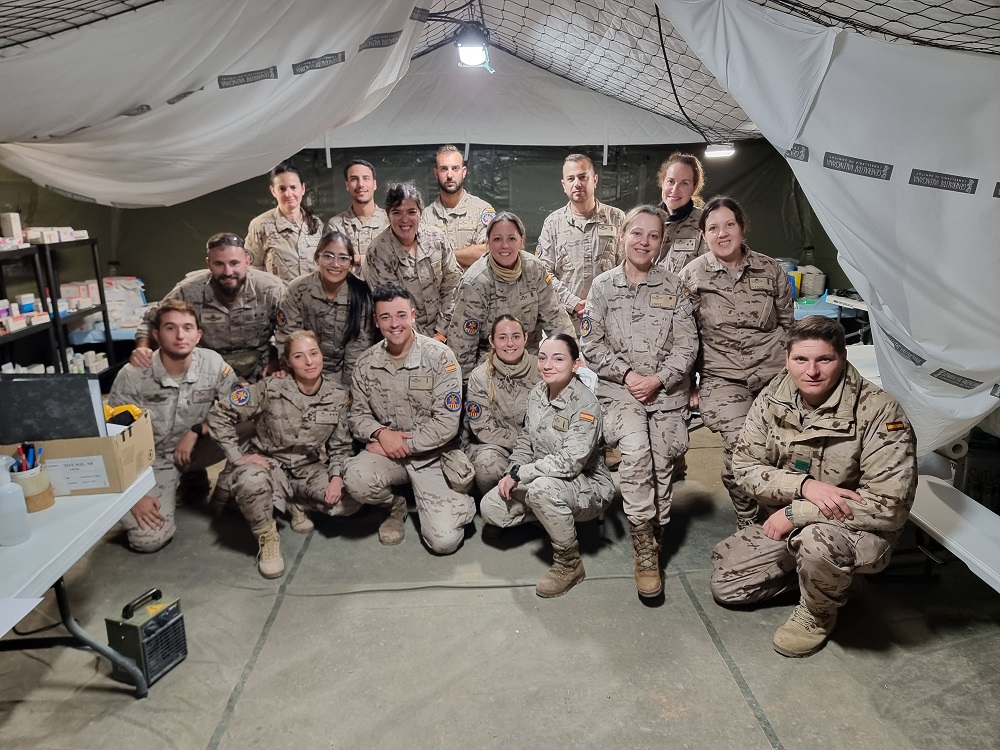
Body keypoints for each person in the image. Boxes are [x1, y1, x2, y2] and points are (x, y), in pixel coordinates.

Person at [712, 316, 917, 657]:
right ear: (787, 358)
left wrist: (798, 512)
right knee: (727, 585)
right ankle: (836, 584)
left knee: (816, 541)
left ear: (842, 358)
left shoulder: (880, 412)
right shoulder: (773, 397)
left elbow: (889, 506)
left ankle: (818, 612)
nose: (812, 372)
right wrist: (805, 486)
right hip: (795, 521)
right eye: (801, 360)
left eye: (824, 359)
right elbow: (744, 467)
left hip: (858, 530)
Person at [582, 205, 699, 598]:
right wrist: (629, 375)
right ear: (622, 237)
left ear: (662, 242)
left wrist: (659, 379)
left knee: (663, 457)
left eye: (653, 235)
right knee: (636, 452)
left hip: (666, 392)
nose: (644, 242)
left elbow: (688, 345)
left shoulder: (676, 287)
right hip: (619, 392)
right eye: (637, 233)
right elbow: (590, 343)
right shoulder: (601, 287)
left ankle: (656, 528)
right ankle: (643, 545)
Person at [207, 330, 362, 578]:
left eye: (314, 353)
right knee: (250, 481)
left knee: (350, 502)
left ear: (322, 355)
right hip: (267, 463)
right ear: (288, 362)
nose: (309, 362)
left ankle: (296, 503)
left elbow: (340, 447)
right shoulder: (269, 388)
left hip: (306, 467)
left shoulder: (338, 396)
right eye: (299, 356)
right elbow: (219, 415)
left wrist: (336, 477)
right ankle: (267, 538)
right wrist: (237, 456)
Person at [680, 196, 794, 529]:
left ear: (742, 227)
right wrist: (689, 384)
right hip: (723, 378)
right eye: (713, 227)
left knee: (784, 446)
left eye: (729, 224)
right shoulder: (692, 276)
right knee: (742, 446)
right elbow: (684, 336)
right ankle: (747, 520)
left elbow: (789, 324)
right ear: (704, 235)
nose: (722, 233)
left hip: (774, 375)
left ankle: (781, 513)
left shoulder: (769, 268)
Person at [343, 283, 475, 554]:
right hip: (388, 456)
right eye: (386, 317)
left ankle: (453, 500)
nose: (394, 324)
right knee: (356, 479)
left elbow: (447, 423)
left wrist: (398, 443)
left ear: (413, 315)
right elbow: (357, 415)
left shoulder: (440, 358)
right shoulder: (366, 363)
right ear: (376, 321)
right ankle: (394, 505)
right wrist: (381, 434)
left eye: (401, 315)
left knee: (444, 542)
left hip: (434, 457)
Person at [480, 334, 615, 598]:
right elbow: (525, 442)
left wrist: (521, 474)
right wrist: (511, 471)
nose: (547, 365)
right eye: (542, 358)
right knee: (491, 508)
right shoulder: (538, 394)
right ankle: (552, 519)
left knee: (541, 491)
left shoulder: (585, 405)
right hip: (545, 478)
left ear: (575, 364)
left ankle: (570, 563)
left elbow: (569, 464)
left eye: (558, 358)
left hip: (588, 485)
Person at [109, 300, 238, 553]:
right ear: (156, 335)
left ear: (198, 334)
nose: (180, 336)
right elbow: (114, 442)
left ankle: (221, 486)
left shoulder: (213, 364)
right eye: (171, 328)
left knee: (251, 426)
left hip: (196, 447)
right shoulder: (133, 375)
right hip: (151, 461)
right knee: (148, 540)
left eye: (187, 328)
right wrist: (133, 496)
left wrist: (197, 430)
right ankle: (184, 483)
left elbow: (237, 405)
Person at [132, 232, 285, 383]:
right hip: (206, 367)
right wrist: (143, 348)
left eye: (234, 263)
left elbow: (290, 329)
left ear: (247, 261)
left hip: (261, 366)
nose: (228, 272)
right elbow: (151, 320)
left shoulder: (269, 288)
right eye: (219, 264)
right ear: (208, 264)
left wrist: (278, 359)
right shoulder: (188, 291)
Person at [446, 211, 573, 377]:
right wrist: (466, 387)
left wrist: (572, 359)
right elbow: (462, 342)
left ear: (522, 241)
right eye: (497, 239)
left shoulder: (535, 270)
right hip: (490, 368)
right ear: (488, 243)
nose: (505, 245)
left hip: (532, 364)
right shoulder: (475, 281)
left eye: (511, 238)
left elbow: (556, 319)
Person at [536, 153, 625, 329]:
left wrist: (600, 303)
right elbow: (543, 273)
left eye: (583, 177)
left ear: (595, 180)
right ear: (564, 185)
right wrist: (573, 302)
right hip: (565, 324)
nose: (577, 183)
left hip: (609, 321)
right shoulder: (553, 223)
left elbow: (626, 268)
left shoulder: (617, 218)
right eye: (571, 178)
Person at [275, 230, 374, 389]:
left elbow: (357, 351)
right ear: (317, 258)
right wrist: (293, 376)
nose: (335, 264)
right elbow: (287, 337)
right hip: (302, 370)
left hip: (343, 375)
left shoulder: (361, 295)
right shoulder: (298, 289)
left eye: (343, 258)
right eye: (328, 256)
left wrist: (345, 391)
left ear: (350, 263)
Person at [363, 182, 462, 341]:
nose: (404, 219)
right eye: (397, 213)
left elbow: (452, 286)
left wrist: (441, 332)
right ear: (388, 214)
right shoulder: (379, 251)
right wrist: (426, 343)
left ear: (420, 212)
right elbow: (392, 306)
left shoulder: (437, 239)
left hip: (447, 328)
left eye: (411, 212)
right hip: (402, 335)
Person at [462, 315, 540, 495]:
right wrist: (523, 446)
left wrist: (535, 448)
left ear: (526, 338)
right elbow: (483, 429)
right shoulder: (480, 377)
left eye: (516, 336)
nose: (510, 343)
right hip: (499, 447)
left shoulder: (542, 369)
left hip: (539, 445)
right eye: (502, 338)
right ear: (492, 341)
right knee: (487, 464)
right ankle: (502, 507)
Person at [245, 162, 324, 282]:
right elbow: (252, 269)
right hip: (279, 298)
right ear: (273, 191)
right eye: (282, 189)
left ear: (302, 189)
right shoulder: (260, 225)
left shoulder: (316, 224)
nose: (288, 194)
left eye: (293, 187)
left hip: (313, 298)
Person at [422, 145, 496, 269]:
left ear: (464, 172)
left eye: (455, 168)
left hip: (474, 288)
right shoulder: (425, 217)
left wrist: (443, 255)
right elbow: (422, 260)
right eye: (444, 169)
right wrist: (468, 253)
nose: (449, 175)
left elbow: (488, 252)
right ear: (436, 173)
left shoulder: (482, 210)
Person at [327, 159, 389, 276]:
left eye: (366, 178)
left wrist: (357, 258)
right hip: (349, 292)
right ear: (347, 185)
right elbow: (335, 263)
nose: (361, 184)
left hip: (385, 292)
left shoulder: (390, 222)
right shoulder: (336, 225)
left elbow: (394, 260)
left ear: (374, 184)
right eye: (354, 179)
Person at [656, 152, 708, 274]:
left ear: (694, 187)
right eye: (671, 181)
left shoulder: (705, 223)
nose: (675, 190)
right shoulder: (647, 221)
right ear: (663, 182)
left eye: (684, 183)